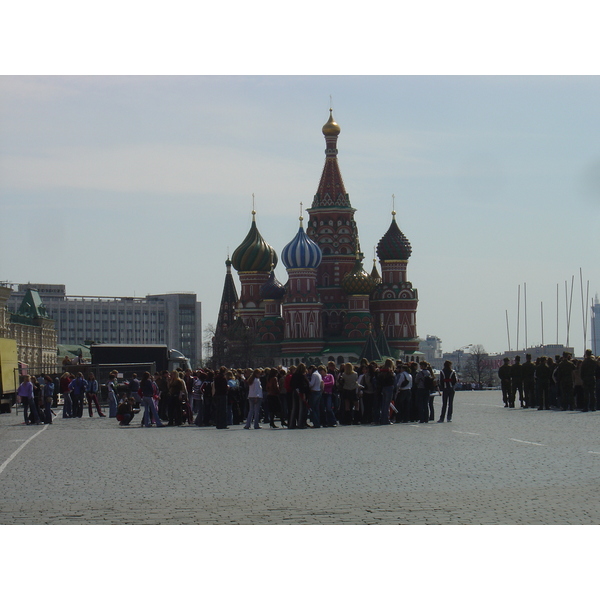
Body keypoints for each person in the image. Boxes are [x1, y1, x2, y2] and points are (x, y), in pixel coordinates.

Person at [376, 359, 396, 425]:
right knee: (387, 404)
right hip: (389, 388)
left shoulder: (381, 371)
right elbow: (393, 381)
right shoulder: (390, 371)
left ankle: (382, 419)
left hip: (383, 388)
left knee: (384, 404)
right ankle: (386, 419)